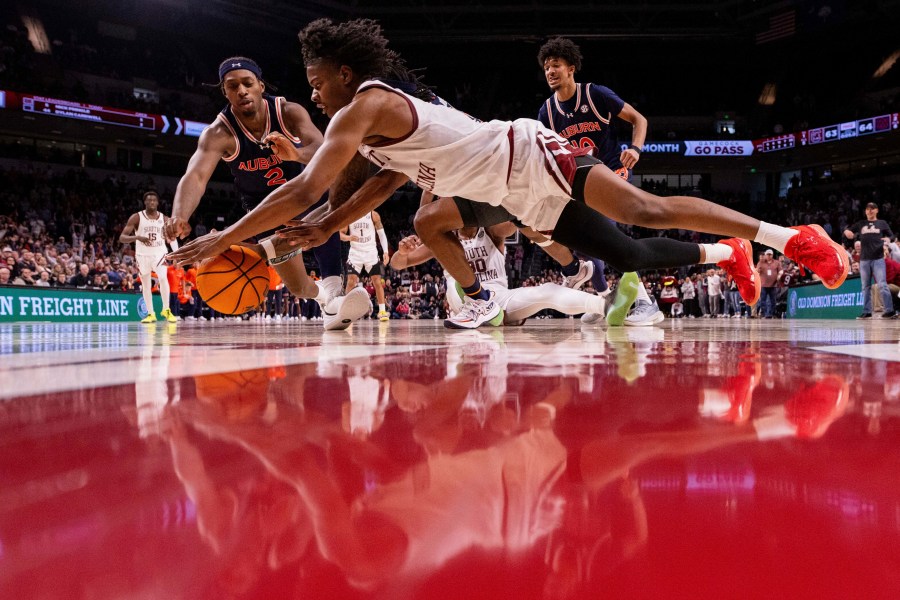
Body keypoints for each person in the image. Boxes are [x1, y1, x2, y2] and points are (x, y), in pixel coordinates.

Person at [168, 17, 849, 329]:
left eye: (317, 82)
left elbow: (308, 185)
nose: (312, 94)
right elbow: (377, 185)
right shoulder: (368, 131)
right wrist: (313, 232)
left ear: (344, 74)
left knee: (643, 209)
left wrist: (220, 237)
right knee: (630, 248)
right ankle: (724, 252)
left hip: (527, 154)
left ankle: (790, 236)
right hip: (510, 191)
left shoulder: (365, 102)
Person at [164, 56, 370, 331]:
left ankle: (335, 293)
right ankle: (324, 297)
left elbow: (325, 151)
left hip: (305, 193)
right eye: (232, 86)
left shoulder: (288, 112)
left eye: (248, 83)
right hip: (265, 211)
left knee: (324, 197)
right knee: (298, 287)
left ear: (260, 85)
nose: (241, 91)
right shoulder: (218, 133)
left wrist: (295, 153)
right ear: (224, 92)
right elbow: (196, 176)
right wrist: (180, 215)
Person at [536, 36, 664, 327]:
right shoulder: (547, 112)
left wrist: (636, 148)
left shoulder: (596, 94)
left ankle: (645, 301)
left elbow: (639, 119)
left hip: (612, 172)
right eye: (546, 68)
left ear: (571, 68)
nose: (550, 72)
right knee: (589, 243)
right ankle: (606, 297)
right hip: (580, 181)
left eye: (555, 65)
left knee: (607, 236)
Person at [390, 224, 610, 327]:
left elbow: (514, 222)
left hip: (499, 297)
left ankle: (607, 306)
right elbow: (398, 264)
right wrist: (402, 253)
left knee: (547, 291)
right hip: (465, 302)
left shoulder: (492, 232)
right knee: (454, 284)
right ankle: (484, 308)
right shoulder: (443, 240)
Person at [119, 191, 178, 323]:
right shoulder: (137, 217)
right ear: (145, 202)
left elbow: (172, 238)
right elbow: (122, 237)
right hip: (142, 255)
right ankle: (151, 313)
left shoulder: (165, 219)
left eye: (154, 200)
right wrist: (138, 237)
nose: (151, 202)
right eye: (149, 200)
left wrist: (176, 254)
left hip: (159, 253)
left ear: (157, 203)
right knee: (145, 284)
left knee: (163, 278)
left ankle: (166, 309)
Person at [843, 202, 896, 319]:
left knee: (882, 284)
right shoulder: (861, 223)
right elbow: (849, 232)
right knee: (865, 286)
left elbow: (892, 236)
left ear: (877, 210)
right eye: (867, 209)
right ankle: (867, 312)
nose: (870, 211)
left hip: (878, 258)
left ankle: (889, 310)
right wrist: (847, 232)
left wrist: (888, 239)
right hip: (864, 259)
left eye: (872, 209)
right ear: (865, 211)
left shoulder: (882, 223)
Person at [341, 210, 391, 320]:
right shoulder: (349, 215)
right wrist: (349, 238)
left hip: (370, 252)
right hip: (355, 252)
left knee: (377, 281)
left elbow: (381, 234)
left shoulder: (373, 214)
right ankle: (346, 312)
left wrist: (386, 251)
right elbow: (340, 234)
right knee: (350, 282)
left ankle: (382, 311)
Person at [756, 249, 781, 318]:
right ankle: (763, 313)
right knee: (762, 300)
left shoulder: (776, 262)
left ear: (772, 255)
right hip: (763, 284)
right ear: (765, 255)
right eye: (767, 254)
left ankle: (772, 314)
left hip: (773, 285)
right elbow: (757, 271)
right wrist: (758, 270)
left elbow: (780, 271)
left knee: (773, 300)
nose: (769, 256)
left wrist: (779, 276)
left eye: (770, 254)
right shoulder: (761, 262)